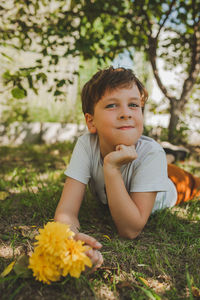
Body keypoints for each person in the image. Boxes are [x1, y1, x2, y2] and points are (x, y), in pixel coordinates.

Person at [54, 66, 200, 269]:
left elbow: (130, 230)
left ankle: (171, 155)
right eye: (112, 105)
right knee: (162, 161)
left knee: (194, 181)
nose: (125, 113)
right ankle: (172, 155)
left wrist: (112, 169)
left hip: (174, 185)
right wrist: (71, 239)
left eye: (133, 105)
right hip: (153, 167)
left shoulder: (151, 153)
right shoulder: (86, 144)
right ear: (91, 121)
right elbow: (66, 212)